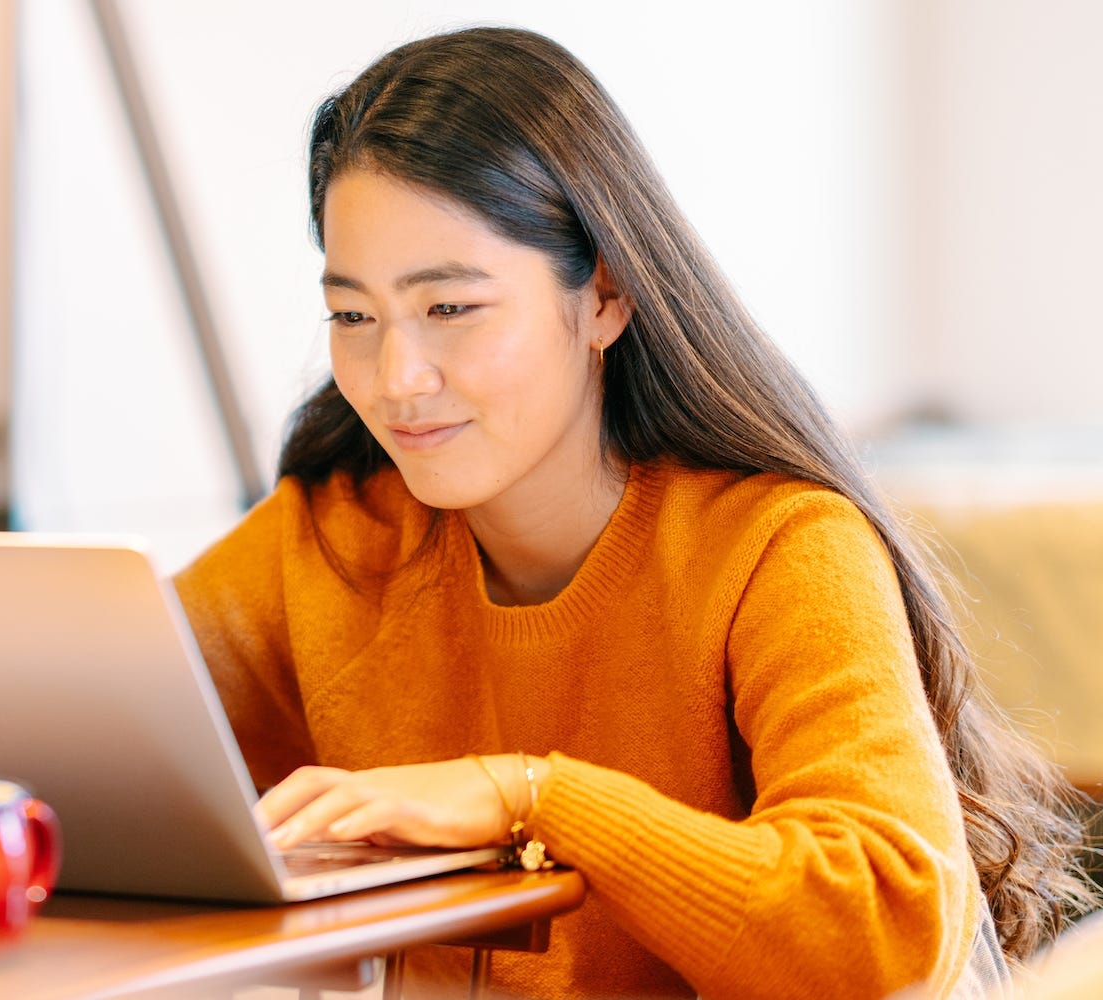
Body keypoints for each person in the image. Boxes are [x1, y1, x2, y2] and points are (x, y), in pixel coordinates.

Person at [173, 26, 1096, 999]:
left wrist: (530, 795)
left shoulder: (777, 546)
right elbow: (94, 715)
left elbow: (880, 921)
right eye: (353, 318)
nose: (395, 378)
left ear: (603, 295)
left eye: (449, 309)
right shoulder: (334, 535)